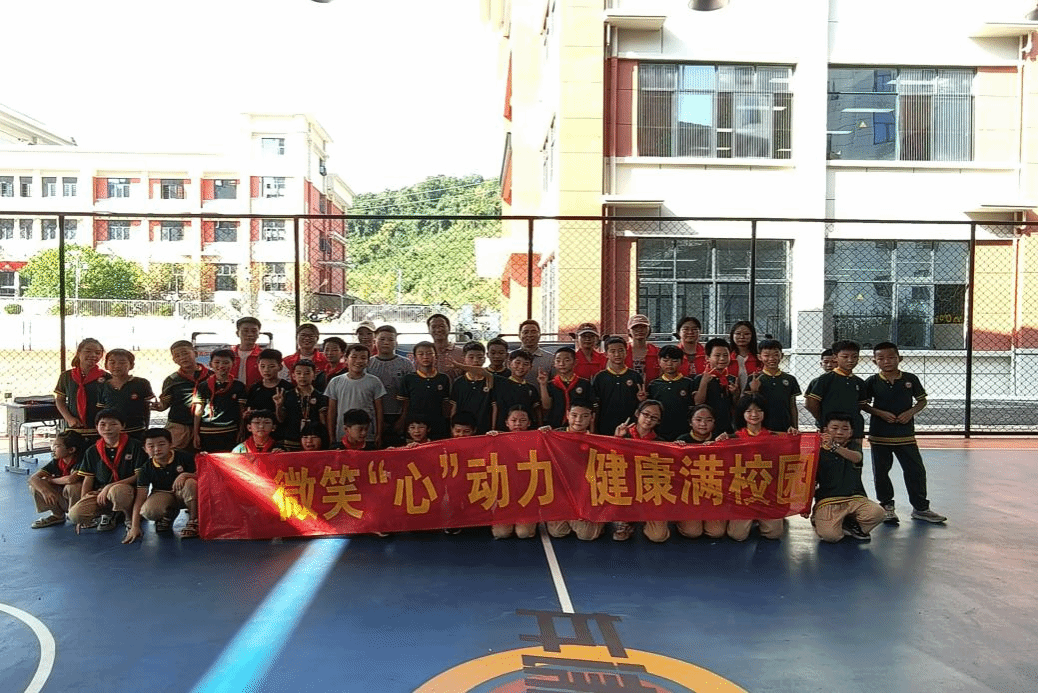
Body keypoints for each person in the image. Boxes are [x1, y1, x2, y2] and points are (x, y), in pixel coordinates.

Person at [862, 342, 947, 524]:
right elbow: (863, 404)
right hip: (880, 435)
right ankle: (886, 506)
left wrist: (910, 412)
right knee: (881, 472)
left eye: (891, 357)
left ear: (899, 358)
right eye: (881, 358)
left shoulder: (910, 379)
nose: (886, 361)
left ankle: (921, 508)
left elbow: (922, 401)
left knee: (915, 470)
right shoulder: (872, 381)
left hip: (905, 435)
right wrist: (880, 413)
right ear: (874, 361)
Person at [68, 409, 149, 533]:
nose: (107, 428)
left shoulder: (135, 446)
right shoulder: (92, 450)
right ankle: (108, 514)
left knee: (117, 491)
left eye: (113, 424)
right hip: (100, 493)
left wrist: (109, 486)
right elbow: (88, 479)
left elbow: (139, 476)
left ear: (123, 426)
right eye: (103, 424)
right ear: (96, 427)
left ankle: (129, 517)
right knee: (75, 515)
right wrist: (83, 500)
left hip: (127, 490)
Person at [811, 411, 886, 542]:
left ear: (851, 433)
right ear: (825, 430)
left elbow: (857, 458)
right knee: (831, 536)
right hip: (829, 500)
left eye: (845, 429)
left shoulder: (854, 447)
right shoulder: (817, 450)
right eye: (834, 428)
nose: (840, 432)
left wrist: (834, 447)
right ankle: (824, 519)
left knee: (878, 513)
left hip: (855, 498)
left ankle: (848, 523)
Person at [123, 427, 199, 543]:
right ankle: (168, 515)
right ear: (145, 449)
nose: (157, 449)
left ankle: (194, 521)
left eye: (161, 444)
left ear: (171, 444)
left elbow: (203, 476)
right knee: (148, 510)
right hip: (163, 493)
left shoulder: (185, 457)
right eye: (151, 446)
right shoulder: (146, 468)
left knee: (190, 483)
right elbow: (140, 497)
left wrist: (185, 475)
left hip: (184, 493)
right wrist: (135, 526)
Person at [727, 394, 785, 541]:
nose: (754, 414)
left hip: (767, 493)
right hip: (743, 494)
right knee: (737, 536)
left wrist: (794, 436)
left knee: (774, 534)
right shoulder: (732, 439)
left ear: (765, 413)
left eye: (759, 410)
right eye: (749, 411)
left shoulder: (775, 438)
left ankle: (761, 520)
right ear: (742, 414)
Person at [672, 405, 729, 540]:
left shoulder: (720, 440)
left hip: (713, 495)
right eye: (698, 420)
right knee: (693, 532)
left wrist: (725, 445)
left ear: (714, 422)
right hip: (689, 496)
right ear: (690, 422)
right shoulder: (682, 440)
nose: (703, 424)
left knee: (716, 532)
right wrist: (675, 450)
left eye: (708, 420)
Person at [614, 399, 665, 542]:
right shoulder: (623, 434)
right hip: (625, 488)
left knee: (658, 536)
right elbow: (611, 463)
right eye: (646, 414)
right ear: (637, 413)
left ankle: (645, 521)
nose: (648, 420)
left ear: (658, 421)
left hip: (649, 491)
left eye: (654, 417)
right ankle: (625, 521)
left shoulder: (662, 442)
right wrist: (617, 439)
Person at [805, 340, 867, 450]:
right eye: (845, 357)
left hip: (854, 429)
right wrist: (823, 420)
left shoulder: (859, 382)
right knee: (829, 456)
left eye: (854, 357)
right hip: (830, 430)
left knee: (854, 456)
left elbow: (861, 405)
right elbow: (811, 403)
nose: (850, 360)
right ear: (835, 357)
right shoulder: (825, 379)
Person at [489, 406, 538, 540]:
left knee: (524, 533)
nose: (518, 424)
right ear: (507, 423)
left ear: (529, 423)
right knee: (501, 533)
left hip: (528, 496)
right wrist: (488, 439)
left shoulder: (537, 440)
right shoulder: (496, 440)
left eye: (523, 420)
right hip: (505, 497)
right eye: (514, 420)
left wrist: (548, 434)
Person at [153, 340, 211, 452]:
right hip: (179, 425)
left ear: (195, 353)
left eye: (185, 353)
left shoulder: (211, 376)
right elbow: (165, 404)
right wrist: (158, 406)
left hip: (205, 425)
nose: (182, 358)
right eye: (177, 356)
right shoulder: (172, 380)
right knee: (175, 455)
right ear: (174, 360)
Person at [325, 344, 386, 447]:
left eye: (363, 358)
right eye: (354, 357)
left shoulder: (374, 381)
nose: (358, 361)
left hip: (367, 435)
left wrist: (379, 434)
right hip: (342, 435)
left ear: (368, 361)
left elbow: (379, 410)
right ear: (345, 359)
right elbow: (331, 411)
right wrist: (331, 435)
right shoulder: (335, 382)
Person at [366, 325, 415, 445]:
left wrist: (403, 418)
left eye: (390, 339)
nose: (386, 343)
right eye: (382, 339)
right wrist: (378, 420)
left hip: (399, 415)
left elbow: (411, 394)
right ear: (375, 342)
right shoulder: (368, 364)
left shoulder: (406, 364)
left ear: (396, 343)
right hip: (374, 415)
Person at [28, 430, 86, 529]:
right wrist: (45, 491)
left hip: (79, 500)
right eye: (53, 446)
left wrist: (51, 480)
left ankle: (79, 517)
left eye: (57, 446)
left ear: (71, 450)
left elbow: (71, 479)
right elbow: (33, 478)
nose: (53, 449)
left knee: (74, 486)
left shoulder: (82, 460)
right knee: (37, 485)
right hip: (64, 498)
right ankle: (57, 515)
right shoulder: (56, 462)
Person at [191, 348, 247, 453]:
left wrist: (241, 431)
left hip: (230, 431)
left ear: (233, 364)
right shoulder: (203, 386)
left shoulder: (239, 386)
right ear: (210, 364)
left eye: (226, 362)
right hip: (206, 432)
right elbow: (198, 410)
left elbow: (241, 411)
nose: (221, 365)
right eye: (217, 362)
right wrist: (196, 434)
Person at [54, 337, 108, 443]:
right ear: (79, 353)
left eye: (97, 353)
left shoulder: (106, 377)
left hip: (98, 430)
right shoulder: (66, 376)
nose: (93, 355)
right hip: (74, 428)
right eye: (88, 351)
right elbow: (60, 400)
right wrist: (69, 418)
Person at [398, 342, 452, 439]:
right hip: (415, 427)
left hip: (438, 424)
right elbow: (405, 404)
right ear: (415, 357)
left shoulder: (443, 378)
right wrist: (402, 421)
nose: (425, 357)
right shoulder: (408, 378)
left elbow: (446, 405)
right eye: (421, 354)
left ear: (436, 357)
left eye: (429, 353)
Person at [591, 336, 644, 435]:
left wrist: (642, 399)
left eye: (620, 350)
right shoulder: (600, 377)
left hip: (630, 427)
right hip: (605, 427)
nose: (617, 354)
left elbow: (641, 403)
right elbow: (595, 404)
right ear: (606, 354)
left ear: (626, 352)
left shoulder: (635, 376)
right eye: (612, 351)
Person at [747, 339, 801, 434]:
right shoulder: (754, 378)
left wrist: (795, 426)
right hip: (761, 428)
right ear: (759, 357)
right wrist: (754, 390)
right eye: (766, 355)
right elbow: (746, 405)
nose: (771, 358)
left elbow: (792, 405)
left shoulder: (790, 379)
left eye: (776, 355)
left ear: (782, 355)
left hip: (784, 427)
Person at [99, 348, 154, 440]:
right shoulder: (102, 386)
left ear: (131, 365)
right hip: (112, 433)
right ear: (106, 365)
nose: (117, 366)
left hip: (136, 430)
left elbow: (147, 408)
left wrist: (146, 429)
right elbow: (100, 411)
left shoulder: (142, 383)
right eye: (112, 362)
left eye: (122, 362)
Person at [279, 359, 329, 451]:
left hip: (312, 442)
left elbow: (323, 423)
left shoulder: (321, 396)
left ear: (314, 375)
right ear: (293, 376)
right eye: (299, 373)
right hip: (291, 440)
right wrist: (278, 405)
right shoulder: (286, 395)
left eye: (307, 373)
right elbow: (281, 419)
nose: (302, 376)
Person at [692, 338, 739, 434]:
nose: (722, 359)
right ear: (707, 358)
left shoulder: (732, 379)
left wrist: (735, 394)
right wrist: (704, 383)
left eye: (725, 355)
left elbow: (736, 406)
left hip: (727, 427)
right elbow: (698, 402)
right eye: (717, 355)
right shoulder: (699, 379)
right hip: (706, 429)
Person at [648, 345, 695, 441]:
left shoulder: (689, 383)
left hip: (684, 431)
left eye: (674, 361)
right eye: (665, 360)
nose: (669, 364)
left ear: (681, 362)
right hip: (659, 432)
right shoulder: (654, 385)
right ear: (659, 361)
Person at [245, 349, 293, 443]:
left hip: (281, 435)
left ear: (280, 367)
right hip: (259, 436)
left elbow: (287, 417)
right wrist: (248, 414)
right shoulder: (255, 388)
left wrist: (279, 406)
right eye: (262, 366)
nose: (266, 370)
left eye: (271, 366)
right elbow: (250, 411)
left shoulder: (287, 388)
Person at [538, 346, 592, 430]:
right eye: (558, 361)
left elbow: (591, 409)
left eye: (566, 360)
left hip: (578, 426)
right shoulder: (550, 384)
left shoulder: (584, 383)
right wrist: (543, 385)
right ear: (554, 364)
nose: (562, 364)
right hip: (555, 425)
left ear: (575, 362)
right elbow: (546, 406)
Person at [450, 341, 494, 433]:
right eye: (471, 357)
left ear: (485, 359)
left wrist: (493, 428)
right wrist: (452, 430)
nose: (475, 360)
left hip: (486, 430)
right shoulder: (458, 382)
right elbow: (454, 408)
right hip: (464, 432)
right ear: (464, 359)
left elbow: (495, 408)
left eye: (480, 357)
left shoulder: (491, 379)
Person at [491, 350, 541, 430]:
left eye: (526, 364)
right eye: (517, 363)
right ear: (509, 364)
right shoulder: (499, 383)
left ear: (531, 367)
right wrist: (493, 428)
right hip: (502, 431)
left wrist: (540, 427)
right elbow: (494, 408)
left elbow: (537, 412)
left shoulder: (531, 388)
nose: (521, 367)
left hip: (525, 432)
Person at [426, 313, 465, 381]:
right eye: (434, 327)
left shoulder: (461, 353)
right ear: (429, 330)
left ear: (449, 328)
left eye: (442, 326)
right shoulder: (424, 353)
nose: (438, 330)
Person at [805, 349, 836, 429]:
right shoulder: (816, 381)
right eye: (826, 362)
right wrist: (820, 419)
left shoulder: (849, 380)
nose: (829, 365)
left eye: (834, 362)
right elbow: (808, 404)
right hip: (824, 422)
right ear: (821, 364)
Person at [517, 319, 555, 385]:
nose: (530, 335)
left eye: (533, 332)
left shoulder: (551, 359)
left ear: (539, 335)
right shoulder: (509, 357)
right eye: (525, 332)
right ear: (519, 335)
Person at [727, 321, 761, 392]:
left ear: (752, 336)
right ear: (732, 335)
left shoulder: (760, 358)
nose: (742, 337)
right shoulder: (726, 357)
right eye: (738, 334)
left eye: (746, 334)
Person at [625, 314, 660, 383]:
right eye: (635, 327)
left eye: (643, 327)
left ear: (649, 329)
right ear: (629, 331)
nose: (640, 330)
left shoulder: (657, 352)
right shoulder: (622, 351)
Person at [230, 316, 264, 389]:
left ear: (259, 334)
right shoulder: (229, 355)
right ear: (237, 333)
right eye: (245, 331)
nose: (250, 334)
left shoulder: (264, 356)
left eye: (254, 331)